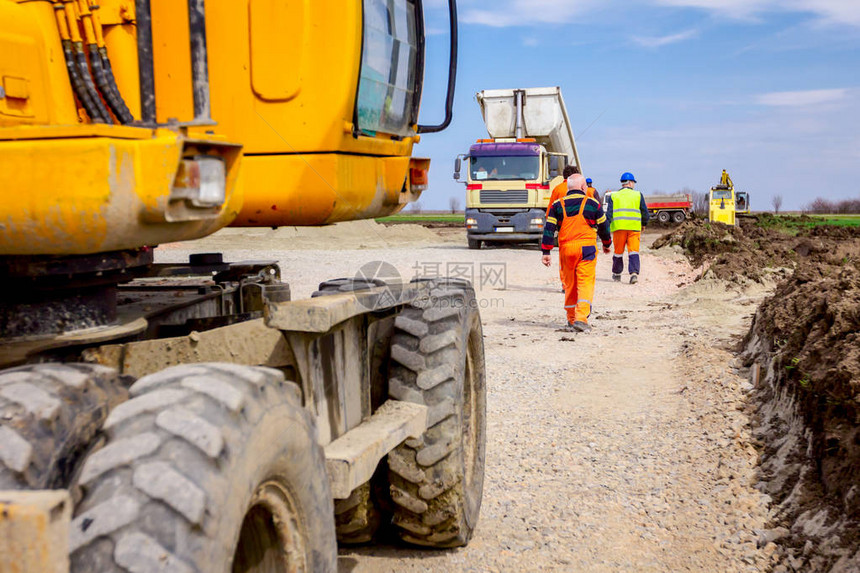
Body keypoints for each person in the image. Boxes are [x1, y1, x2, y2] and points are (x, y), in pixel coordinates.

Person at [541, 175, 612, 332]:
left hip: (566, 250)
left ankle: (571, 319)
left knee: (570, 285)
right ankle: (581, 319)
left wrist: (546, 251)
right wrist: (607, 244)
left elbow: (549, 228)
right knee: (585, 282)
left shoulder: (557, 205)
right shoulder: (593, 204)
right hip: (586, 249)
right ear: (582, 188)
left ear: (568, 188)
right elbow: (604, 226)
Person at [606, 172, 649, 284]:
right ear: (630, 182)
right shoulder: (638, 195)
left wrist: (605, 227)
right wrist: (643, 224)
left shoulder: (614, 196)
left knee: (618, 252)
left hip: (619, 228)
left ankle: (616, 274)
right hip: (634, 228)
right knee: (633, 251)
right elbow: (645, 212)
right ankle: (634, 274)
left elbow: (609, 214)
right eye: (633, 182)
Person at [547, 165, 583, 291]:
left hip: (564, 231)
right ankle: (579, 282)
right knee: (580, 258)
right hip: (581, 231)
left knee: (565, 260)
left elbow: (549, 213)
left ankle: (565, 285)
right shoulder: (583, 190)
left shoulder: (557, 189)